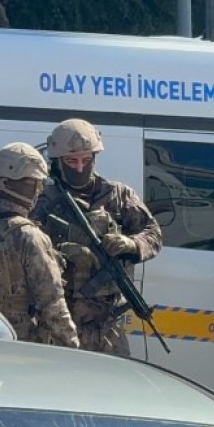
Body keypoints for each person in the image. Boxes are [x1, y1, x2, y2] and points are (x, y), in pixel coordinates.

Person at [32, 118, 163, 355]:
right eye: (72, 161)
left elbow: (153, 235)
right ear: (57, 162)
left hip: (106, 325)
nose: (80, 168)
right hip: (59, 322)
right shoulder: (43, 199)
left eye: (86, 159)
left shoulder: (117, 195)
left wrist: (131, 244)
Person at [0, 143, 79, 349]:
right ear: (23, 184)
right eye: (37, 183)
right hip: (17, 347)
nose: (39, 191)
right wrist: (74, 351)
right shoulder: (28, 237)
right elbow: (53, 307)